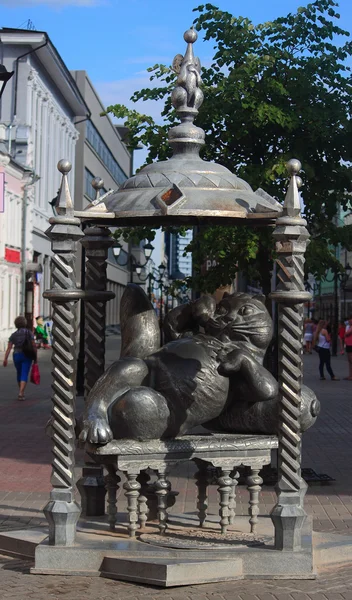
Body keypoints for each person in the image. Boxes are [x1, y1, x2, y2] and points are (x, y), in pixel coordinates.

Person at [2, 316, 37, 400]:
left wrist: (5, 359)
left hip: (16, 355)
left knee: (19, 372)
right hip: (27, 355)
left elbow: (9, 347)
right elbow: (33, 345)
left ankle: (21, 391)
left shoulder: (13, 335)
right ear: (24, 323)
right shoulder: (29, 333)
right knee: (24, 373)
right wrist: (35, 358)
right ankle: (21, 393)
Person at [344, 315, 352, 381]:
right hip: (348, 344)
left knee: (351, 360)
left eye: (350, 319)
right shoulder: (348, 327)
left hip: (351, 345)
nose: (349, 321)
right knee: (349, 360)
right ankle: (350, 375)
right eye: (349, 319)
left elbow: (346, 334)